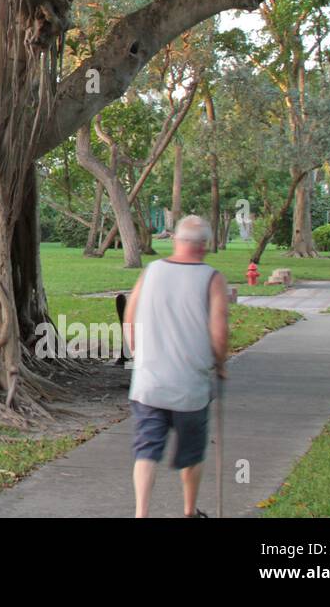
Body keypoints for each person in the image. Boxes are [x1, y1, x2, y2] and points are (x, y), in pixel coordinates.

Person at [122, 215, 230, 518]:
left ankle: (141, 514)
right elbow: (219, 332)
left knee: (146, 450)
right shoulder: (212, 278)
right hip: (189, 387)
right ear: (205, 246)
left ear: (176, 240)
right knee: (191, 454)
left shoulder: (151, 271)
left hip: (148, 383)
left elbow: (129, 318)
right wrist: (220, 364)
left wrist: (139, 356)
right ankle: (188, 511)